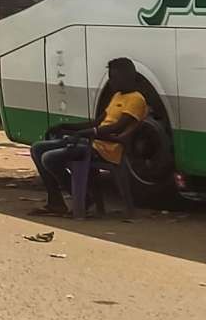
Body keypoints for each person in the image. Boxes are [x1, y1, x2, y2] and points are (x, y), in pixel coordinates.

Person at [29, 58, 149, 217]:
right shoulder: (118, 96)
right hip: (92, 141)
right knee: (37, 149)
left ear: (127, 77)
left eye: (114, 77)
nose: (111, 82)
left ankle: (83, 198)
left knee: (49, 158)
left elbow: (117, 127)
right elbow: (98, 122)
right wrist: (68, 127)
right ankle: (55, 201)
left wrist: (87, 133)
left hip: (106, 148)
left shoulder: (136, 99)